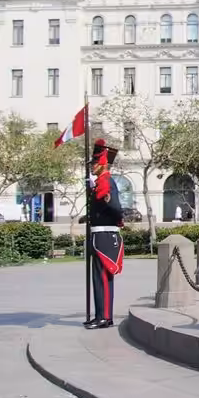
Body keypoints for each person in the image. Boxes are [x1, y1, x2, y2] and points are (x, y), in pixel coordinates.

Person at [86, 139, 124, 330]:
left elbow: (116, 208)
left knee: (102, 277)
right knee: (98, 277)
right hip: (98, 234)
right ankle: (101, 314)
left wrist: (114, 215)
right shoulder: (100, 183)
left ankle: (105, 317)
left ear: (103, 164)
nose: (91, 167)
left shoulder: (107, 182)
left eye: (94, 163)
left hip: (105, 235)